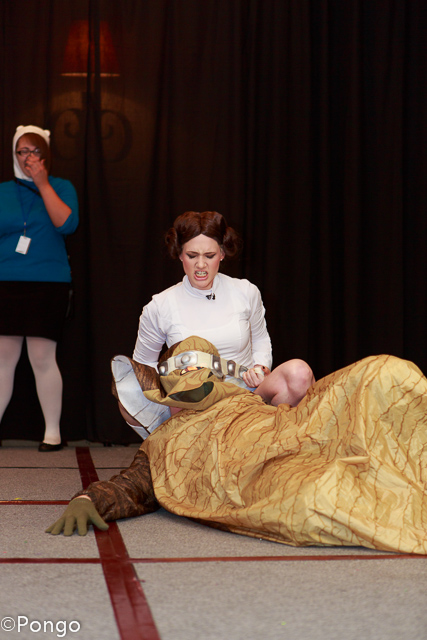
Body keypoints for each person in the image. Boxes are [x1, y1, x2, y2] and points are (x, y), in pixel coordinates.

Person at [46, 336, 427, 556]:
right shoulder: (164, 441)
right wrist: (90, 499)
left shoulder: (242, 397)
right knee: (319, 494)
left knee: (384, 373)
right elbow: (133, 486)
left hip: (292, 428)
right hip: (258, 468)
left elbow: (294, 404)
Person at [116, 211, 314, 438]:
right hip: (192, 403)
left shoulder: (246, 291)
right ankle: (180, 442)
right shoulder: (159, 306)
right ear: (180, 254)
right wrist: (175, 391)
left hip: (248, 395)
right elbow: (144, 369)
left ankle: (264, 439)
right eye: (192, 255)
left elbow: (260, 339)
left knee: (299, 373)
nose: (200, 265)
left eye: (209, 255)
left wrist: (260, 368)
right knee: (129, 394)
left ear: (222, 253)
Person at [0, 125, 79, 451]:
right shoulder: (3, 190)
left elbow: (67, 224)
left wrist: (43, 184)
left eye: (35, 151)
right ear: (14, 155)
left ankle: (52, 433)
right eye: (23, 151)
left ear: (45, 155)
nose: (28, 157)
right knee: (3, 358)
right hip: (6, 282)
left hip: (48, 283)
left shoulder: (61, 186)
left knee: (42, 357)